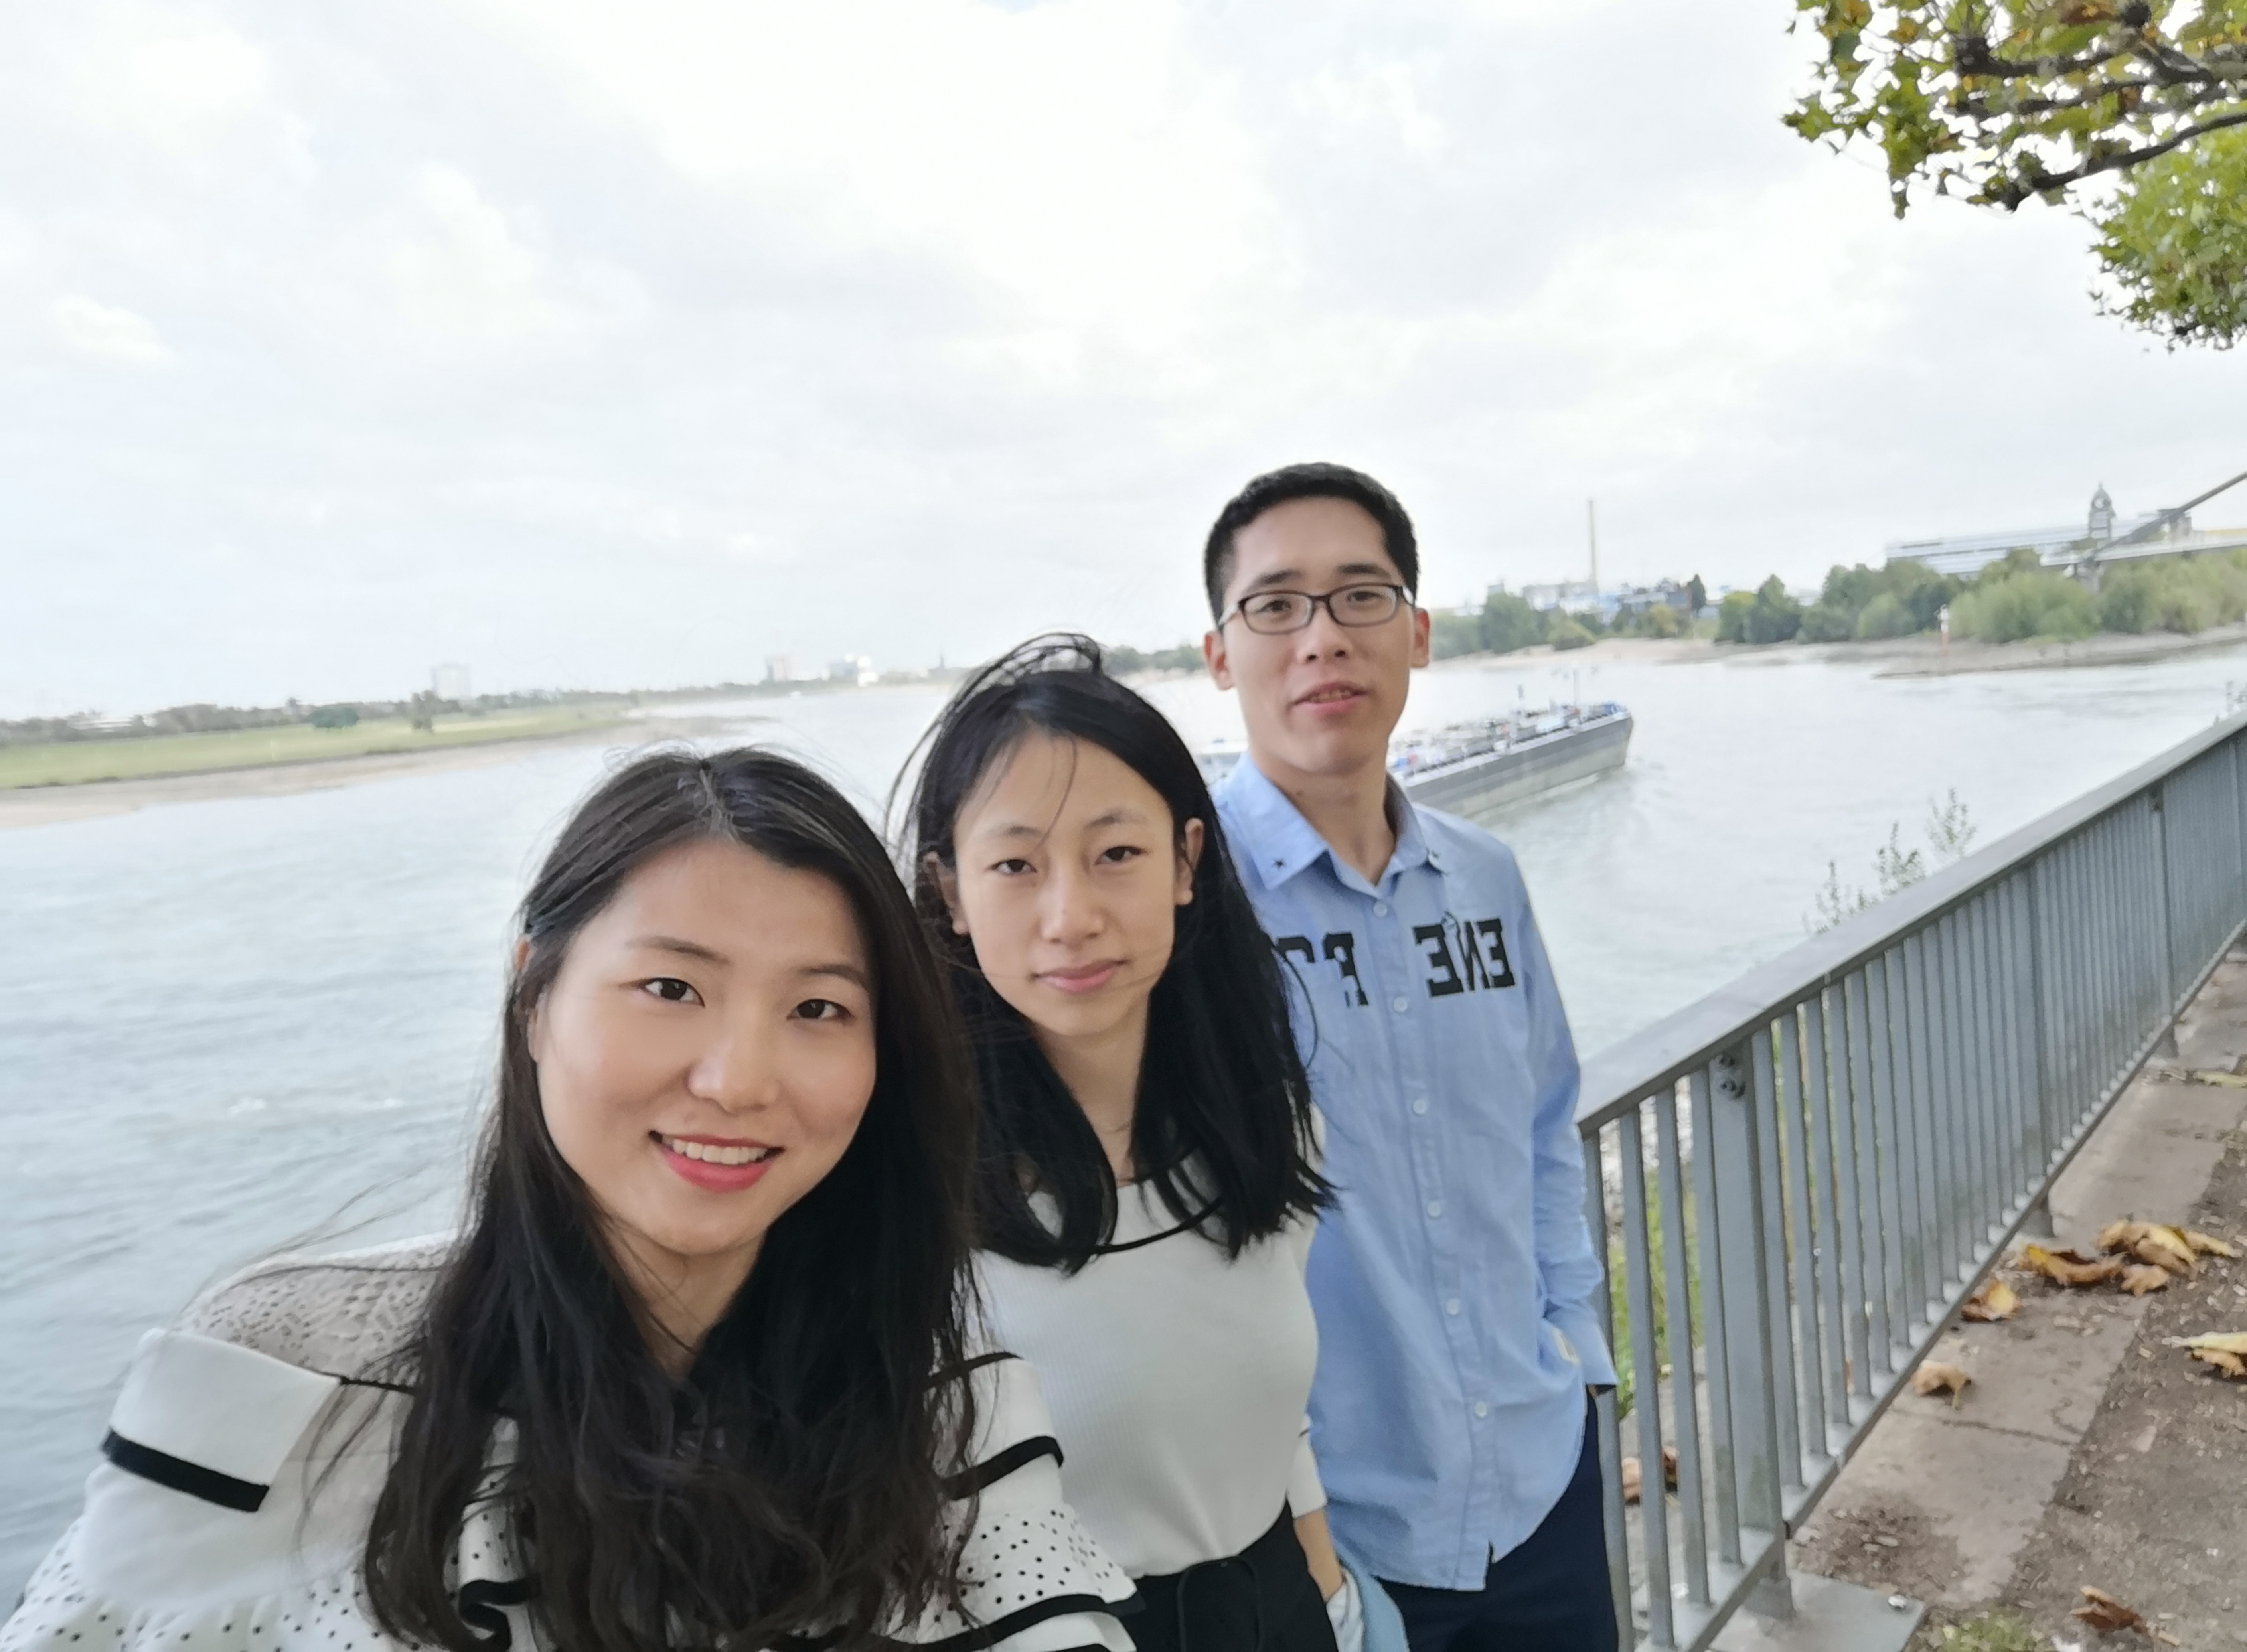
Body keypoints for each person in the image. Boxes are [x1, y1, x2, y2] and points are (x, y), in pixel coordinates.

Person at [1, 749, 1135, 1652]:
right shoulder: (289, 1374)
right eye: (670, 987)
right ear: (532, 995)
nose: (738, 1080)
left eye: (818, 1010)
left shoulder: (942, 1405)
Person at [1199, 465, 1620, 1652]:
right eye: (1275, 604)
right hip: (1322, 1534)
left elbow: (1541, 1128)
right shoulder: (1186, 909)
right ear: (1220, 654)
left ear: (1417, 633)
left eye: (1360, 596)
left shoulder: (1485, 878)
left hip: (1540, 1480)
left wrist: (1578, 1353)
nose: (1321, 637)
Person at [899, 636, 1355, 1652]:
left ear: (1185, 862)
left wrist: (1331, 1597)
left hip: (1282, 1611)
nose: (1070, 917)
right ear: (950, 892)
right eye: (1014, 866)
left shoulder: (1262, 1126)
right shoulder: (910, 1197)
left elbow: (1267, 1414)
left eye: (1115, 854)